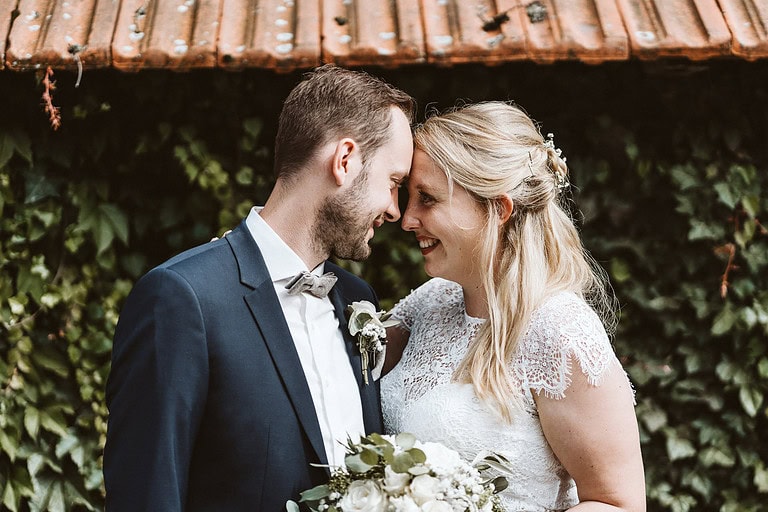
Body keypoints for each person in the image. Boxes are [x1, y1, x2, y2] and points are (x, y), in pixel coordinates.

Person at [103, 65, 415, 511]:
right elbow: (146, 495)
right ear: (345, 160)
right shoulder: (183, 299)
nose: (395, 211)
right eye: (394, 183)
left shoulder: (357, 300)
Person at [380, 102, 646, 511]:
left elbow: (619, 504)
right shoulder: (429, 301)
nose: (408, 219)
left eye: (427, 199)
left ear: (498, 210)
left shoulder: (561, 331)